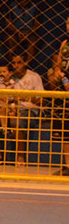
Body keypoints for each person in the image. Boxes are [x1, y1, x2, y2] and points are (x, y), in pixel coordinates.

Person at [6, 54, 44, 166]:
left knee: (18, 122)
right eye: (13, 63)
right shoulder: (10, 78)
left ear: (25, 63)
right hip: (12, 108)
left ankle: (20, 156)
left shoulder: (34, 77)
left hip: (30, 108)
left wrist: (24, 98)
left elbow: (41, 100)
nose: (16, 66)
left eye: (19, 63)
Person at [47, 18, 69, 176]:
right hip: (64, 88)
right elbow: (58, 64)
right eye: (67, 23)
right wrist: (57, 74)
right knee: (65, 129)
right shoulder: (65, 43)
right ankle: (68, 165)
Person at [3, 0, 41, 65]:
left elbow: (37, 24)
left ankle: (27, 65)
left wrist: (28, 33)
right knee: (10, 38)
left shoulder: (35, 5)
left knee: (32, 41)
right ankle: (12, 64)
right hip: (15, 32)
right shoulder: (11, 5)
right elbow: (8, 23)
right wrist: (18, 32)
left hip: (30, 33)